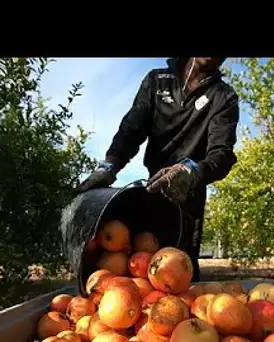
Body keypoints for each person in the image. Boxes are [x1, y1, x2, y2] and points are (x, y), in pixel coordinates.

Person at [76, 57, 240, 281]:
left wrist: (190, 172)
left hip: (189, 198)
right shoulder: (157, 81)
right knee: (139, 271)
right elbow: (130, 131)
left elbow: (221, 155)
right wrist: (107, 168)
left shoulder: (223, 96)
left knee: (181, 275)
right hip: (150, 193)